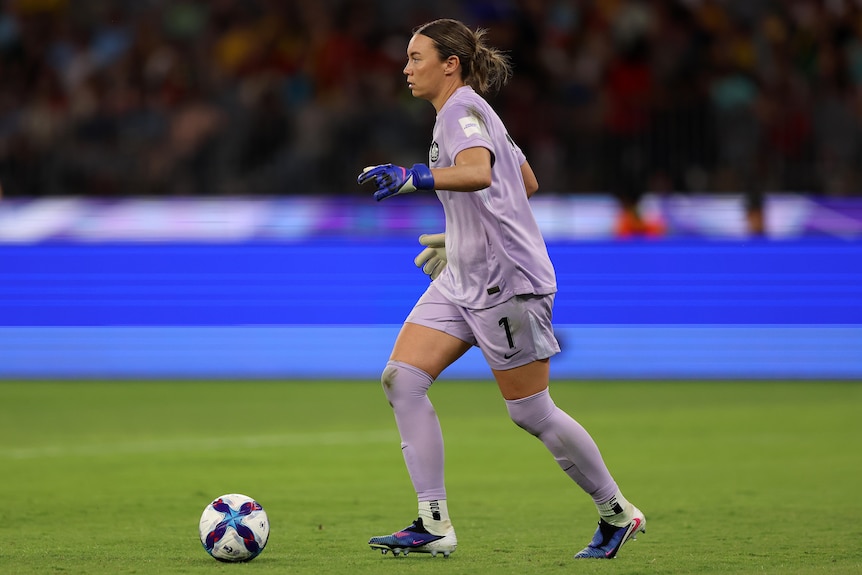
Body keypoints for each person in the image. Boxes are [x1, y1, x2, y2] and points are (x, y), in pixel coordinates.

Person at [357, 18, 646, 560]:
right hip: (465, 273)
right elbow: (525, 182)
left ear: (451, 65)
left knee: (531, 412)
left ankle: (617, 512)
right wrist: (459, 233)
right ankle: (432, 523)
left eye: (417, 57)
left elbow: (480, 174)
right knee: (402, 380)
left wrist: (414, 176)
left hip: (505, 282)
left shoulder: (461, 113)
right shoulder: (469, 112)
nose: (406, 67)